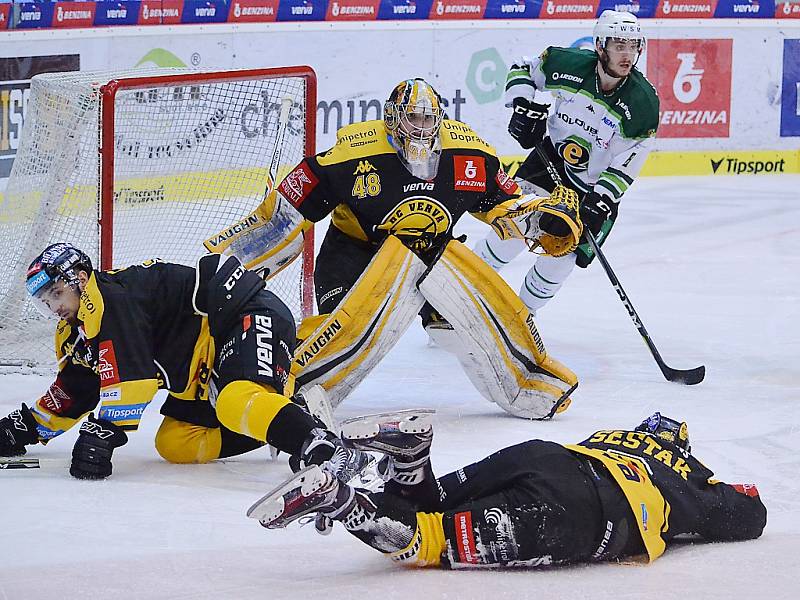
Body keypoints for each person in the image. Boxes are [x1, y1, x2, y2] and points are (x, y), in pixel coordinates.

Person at [209, 78, 584, 420]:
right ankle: (277, 387)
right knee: (343, 329)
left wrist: (539, 219)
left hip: (432, 255)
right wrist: (228, 266)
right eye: (412, 120)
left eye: (427, 121)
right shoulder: (350, 156)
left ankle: (529, 382)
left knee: (469, 322)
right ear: (392, 119)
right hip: (355, 256)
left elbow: (504, 204)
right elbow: (284, 216)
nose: (420, 130)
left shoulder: (468, 155)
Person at [0, 242, 366, 480]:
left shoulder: (110, 301)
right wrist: (24, 427)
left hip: (242, 316)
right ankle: (293, 412)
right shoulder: (78, 329)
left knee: (237, 398)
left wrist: (104, 433)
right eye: (47, 301)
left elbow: (132, 383)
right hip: (200, 366)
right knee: (177, 443)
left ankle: (322, 445)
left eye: (58, 293)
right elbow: (76, 391)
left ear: (81, 279)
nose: (55, 306)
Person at [250, 410, 766, 568]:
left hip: (546, 456)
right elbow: (751, 516)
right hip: (585, 513)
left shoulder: (616, 437)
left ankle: (412, 456)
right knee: (429, 542)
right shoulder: (681, 476)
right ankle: (338, 500)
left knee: (433, 506)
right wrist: (709, 482)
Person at [473, 10, 659, 314]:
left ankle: (522, 319)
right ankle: (458, 300)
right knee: (511, 229)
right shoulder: (568, 64)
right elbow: (523, 69)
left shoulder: (643, 103)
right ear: (600, 46)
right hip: (550, 163)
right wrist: (521, 106)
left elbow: (633, 155)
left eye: (633, 46)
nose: (627, 55)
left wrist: (603, 198)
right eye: (619, 46)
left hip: (592, 188)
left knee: (561, 257)